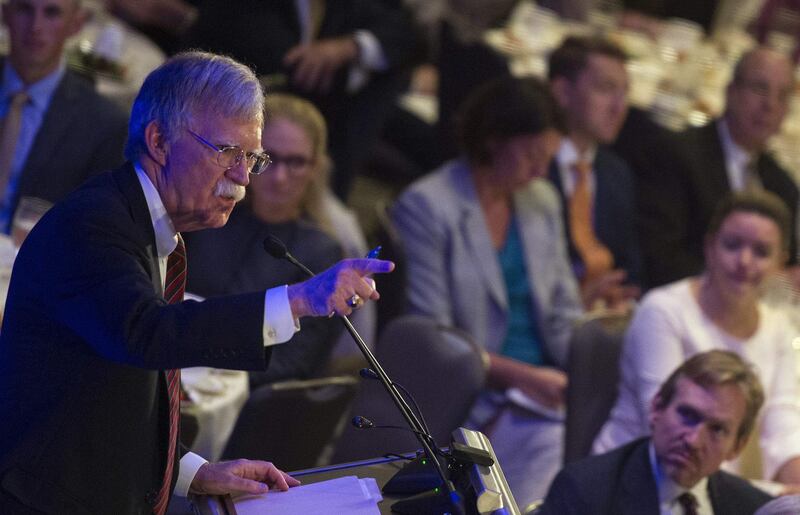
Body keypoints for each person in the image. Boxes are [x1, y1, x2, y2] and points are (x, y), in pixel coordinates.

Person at [0, 51, 393, 513]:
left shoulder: (155, 229)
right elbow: (148, 334)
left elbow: (113, 399)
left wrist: (194, 473)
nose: (243, 177)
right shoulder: (96, 226)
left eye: (251, 158)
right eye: (227, 152)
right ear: (159, 141)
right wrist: (298, 300)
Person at [391, 76, 583, 507]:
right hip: (478, 396)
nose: (540, 169)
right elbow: (437, 343)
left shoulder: (541, 201)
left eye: (547, 158)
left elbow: (564, 310)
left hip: (549, 389)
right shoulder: (428, 206)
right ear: (495, 140)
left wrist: (587, 376)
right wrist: (525, 378)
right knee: (557, 450)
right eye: (533, 155)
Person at [595, 191, 800, 488]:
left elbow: (784, 427)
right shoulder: (663, 311)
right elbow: (671, 436)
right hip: (631, 485)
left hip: (718, 491)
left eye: (761, 252)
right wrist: (775, 494)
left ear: (780, 264)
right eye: (732, 245)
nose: (744, 261)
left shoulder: (780, 327)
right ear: (709, 247)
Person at [186, 93, 375, 385]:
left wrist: (210, 377)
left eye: (296, 163)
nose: (280, 178)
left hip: (243, 397)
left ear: (315, 169)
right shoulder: (210, 213)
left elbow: (296, 364)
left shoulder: (322, 251)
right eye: (269, 159)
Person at [184, 0, 423, 198]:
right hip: (241, 117)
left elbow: (408, 32)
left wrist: (350, 48)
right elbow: (292, 65)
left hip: (336, 119)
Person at [637, 46, 799, 289]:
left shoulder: (783, 186)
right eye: (760, 89)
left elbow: (786, 268)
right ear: (731, 91)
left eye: (782, 96)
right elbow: (661, 258)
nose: (770, 105)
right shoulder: (676, 155)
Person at [542, 350, 773, 514]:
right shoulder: (586, 492)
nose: (693, 441)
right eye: (687, 415)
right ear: (656, 408)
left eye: (717, 429)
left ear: (737, 447)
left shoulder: (754, 508)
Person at [0, 0, 128, 235]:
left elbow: (94, 229)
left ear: (76, 24)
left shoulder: (103, 124)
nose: (35, 26)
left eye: (52, 12)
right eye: (25, 10)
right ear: (5, 14)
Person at [546, 36, 641, 309]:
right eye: (605, 89)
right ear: (562, 92)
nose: (618, 107)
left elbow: (631, 267)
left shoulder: (616, 173)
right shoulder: (533, 166)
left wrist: (622, 295)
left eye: (624, 93)